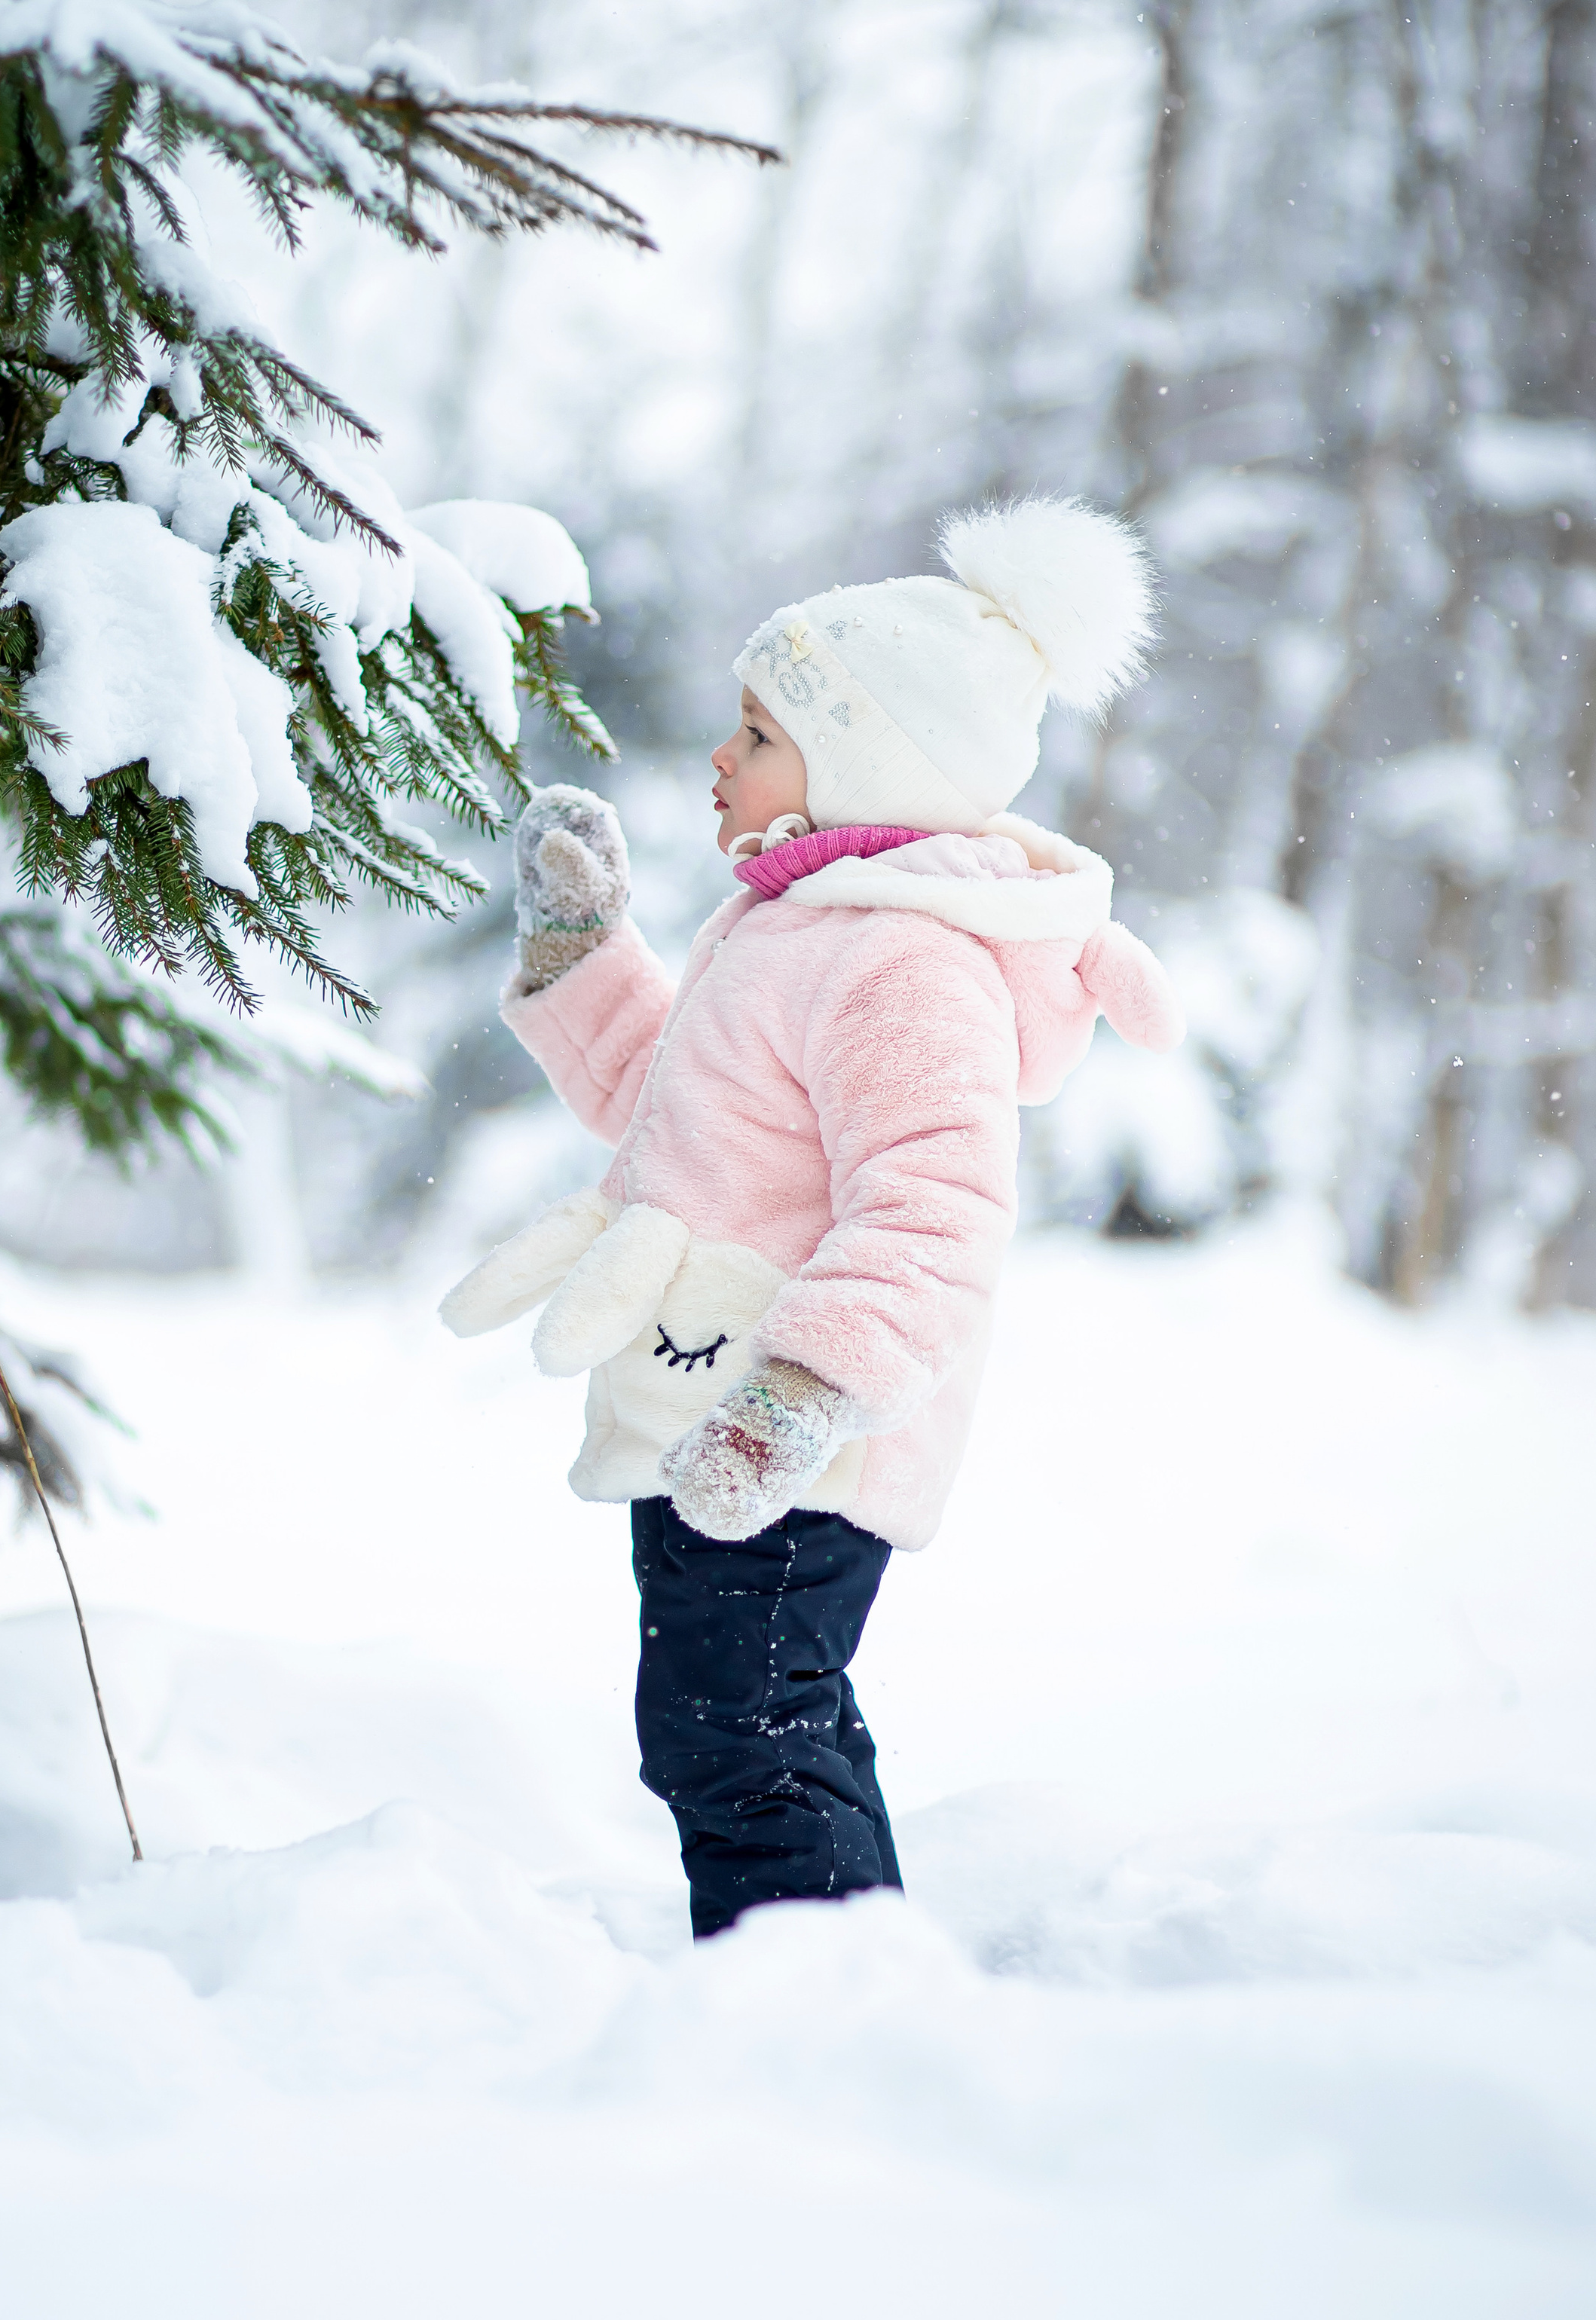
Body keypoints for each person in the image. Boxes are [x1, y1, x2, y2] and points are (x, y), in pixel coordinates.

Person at [441, 495, 1185, 1939]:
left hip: (796, 1434)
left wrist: (800, 1401)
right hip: (708, 1405)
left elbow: (937, 1211)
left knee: (740, 1731)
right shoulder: (794, 930)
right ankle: (833, 1969)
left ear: (861, 766)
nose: (724, 756)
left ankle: (813, 1998)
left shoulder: (902, 964)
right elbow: (686, 1113)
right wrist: (585, 953)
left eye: (761, 732)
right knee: (741, 1721)